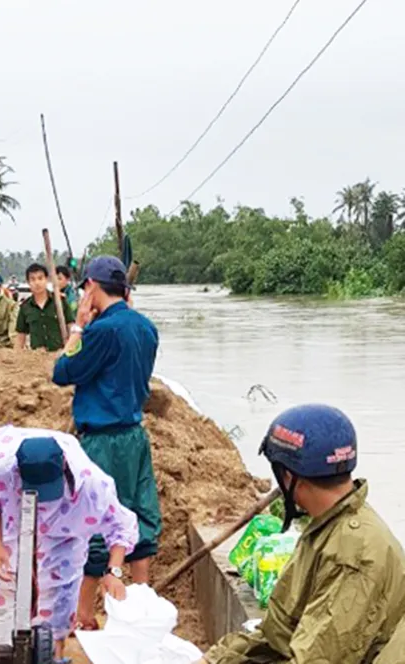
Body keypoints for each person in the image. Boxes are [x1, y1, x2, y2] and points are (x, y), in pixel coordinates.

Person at [201, 405, 405, 664]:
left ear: (288, 476)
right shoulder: (327, 527)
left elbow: (316, 658)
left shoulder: (354, 554)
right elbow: (277, 634)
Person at [0, 426, 138, 660]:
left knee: (58, 599)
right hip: (10, 522)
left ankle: (53, 653)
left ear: (64, 467)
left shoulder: (93, 486)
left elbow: (120, 526)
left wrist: (113, 572)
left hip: (64, 532)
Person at [51, 255, 160, 630]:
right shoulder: (145, 328)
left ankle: (85, 613)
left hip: (102, 440)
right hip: (135, 434)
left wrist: (78, 329)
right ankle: (141, 597)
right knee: (140, 510)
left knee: (95, 518)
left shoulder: (100, 332)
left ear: (92, 287)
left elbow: (63, 372)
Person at [14, 263, 74, 351]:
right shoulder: (25, 307)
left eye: (40, 278)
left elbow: (71, 327)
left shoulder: (60, 302)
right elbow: (20, 338)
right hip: (37, 358)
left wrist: (70, 350)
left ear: (46, 279)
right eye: (33, 279)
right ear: (28, 282)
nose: (37, 283)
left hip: (59, 356)